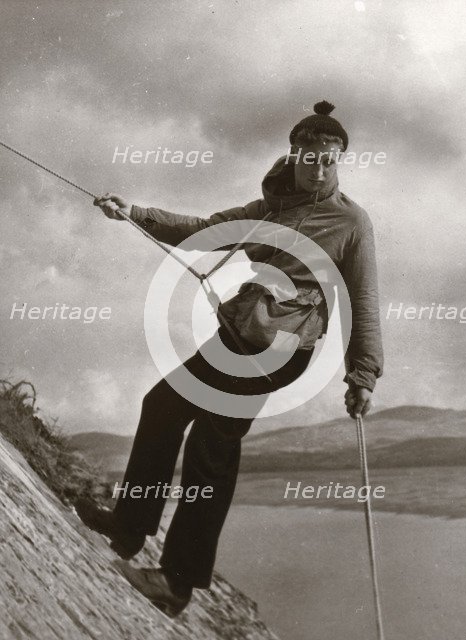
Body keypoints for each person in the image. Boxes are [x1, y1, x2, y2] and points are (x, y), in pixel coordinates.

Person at [75, 101, 383, 617]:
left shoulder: (352, 222)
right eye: (312, 158)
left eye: (331, 160)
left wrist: (364, 373)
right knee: (162, 406)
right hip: (238, 332)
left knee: (211, 446)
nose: (321, 169)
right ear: (295, 154)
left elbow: (364, 299)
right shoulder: (272, 208)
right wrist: (136, 213)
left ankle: (175, 583)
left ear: (340, 161)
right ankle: (128, 528)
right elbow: (205, 230)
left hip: (283, 349)